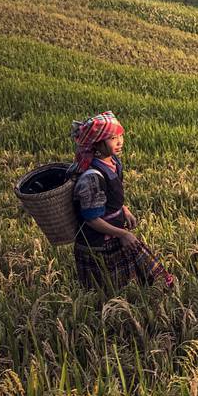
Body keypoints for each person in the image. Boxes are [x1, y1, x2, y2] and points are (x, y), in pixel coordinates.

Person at [70, 111, 177, 291]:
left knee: (142, 277)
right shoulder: (92, 178)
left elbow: (110, 196)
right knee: (106, 289)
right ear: (97, 143)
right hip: (98, 243)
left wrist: (124, 210)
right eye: (112, 138)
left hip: (114, 232)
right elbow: (91, 218)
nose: (120, 141)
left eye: (120, 135)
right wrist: (123, 234)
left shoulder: (113, 162)